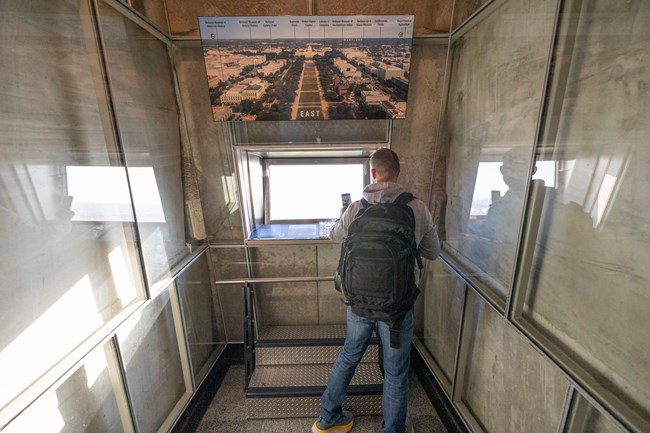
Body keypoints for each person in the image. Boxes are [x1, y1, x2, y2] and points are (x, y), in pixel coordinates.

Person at [312, 148, 440, 433]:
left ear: (373, 173)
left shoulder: (357, 207)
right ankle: (393, 429)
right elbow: (433, 252)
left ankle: (328, 419)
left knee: (349, 355)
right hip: (397, 307)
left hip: (358, 302)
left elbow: (335, 236)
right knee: (395, 373)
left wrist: (343, 216)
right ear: (398, 173)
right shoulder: (417, 207)